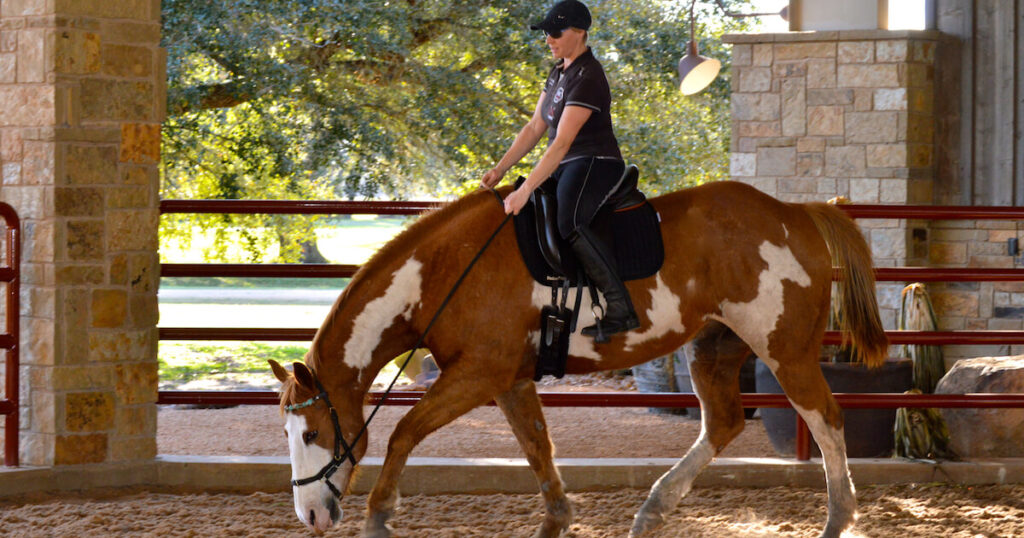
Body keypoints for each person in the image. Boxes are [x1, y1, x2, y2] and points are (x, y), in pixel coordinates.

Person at [480, 0, 638, 339]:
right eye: (546, 33)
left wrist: (525, 191)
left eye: (555, 32)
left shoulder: (589, 76)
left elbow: (561, 143)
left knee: (569, 221)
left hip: (595, 161)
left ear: (579, 32)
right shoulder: (558, 72)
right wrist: (501, 170)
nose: (548, 40)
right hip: (567, 163)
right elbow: (535, 127)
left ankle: (620, 307)